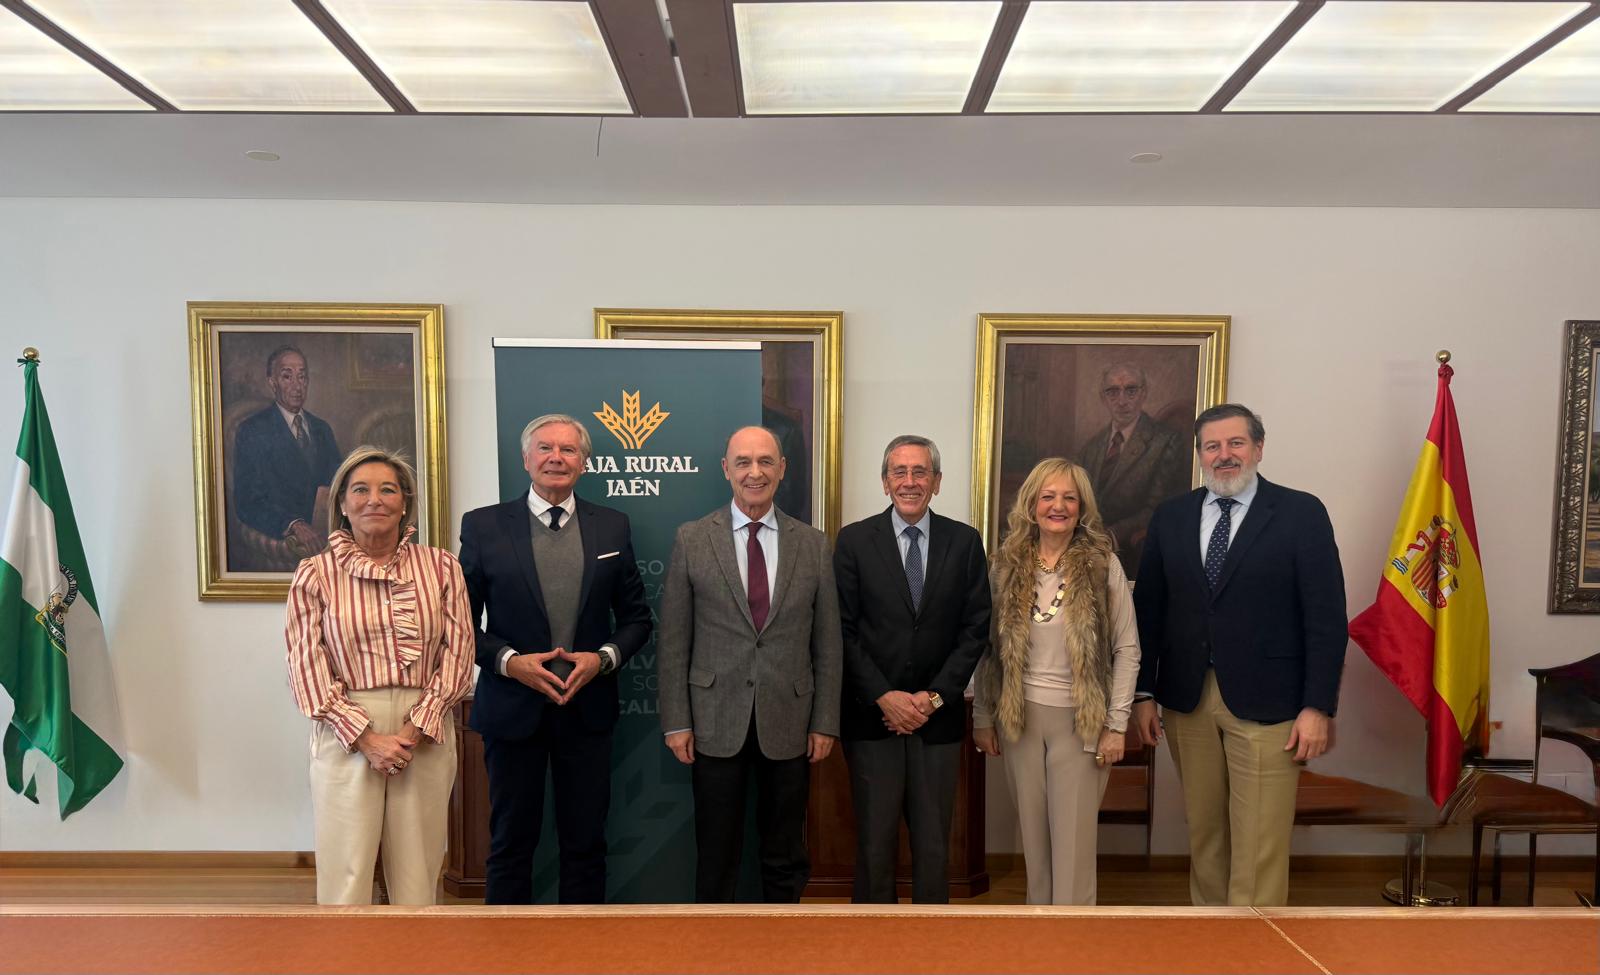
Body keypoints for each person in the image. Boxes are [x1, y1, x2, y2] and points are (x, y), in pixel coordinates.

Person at [1132, 403, 1347, 906]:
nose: (1224, 455)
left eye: (1235, 444)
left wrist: (1318, 707)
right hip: (1187, 699)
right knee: (1206, 836)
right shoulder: (1171, 516)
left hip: (1271, 703)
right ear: (1200, 454)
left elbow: (1326, 618)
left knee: (1260, 843)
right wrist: (1143, 692)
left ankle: (1256, 949)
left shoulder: (1301, 513)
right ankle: (1213, 941)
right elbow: (1149, 613)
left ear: (1258, 448)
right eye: (1212, 446)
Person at [459, 414, 651, 905]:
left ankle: (582, 952)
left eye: (568, 450)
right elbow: (458, 621)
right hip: (511, 709)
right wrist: (509, 662)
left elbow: (636, 620)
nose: (556, 458)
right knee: (509, 843)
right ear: (526, 459)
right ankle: (505, 956)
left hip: (586, 709)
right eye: (545, 448)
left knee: (585, 844)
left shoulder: (613, 525)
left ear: (584, 463)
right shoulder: (482, 526)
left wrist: (603, 660)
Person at [658, 425, 842, 903]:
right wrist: (677, 721)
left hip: (791, 719)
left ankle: (782, 941)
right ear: (726, 470)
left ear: (783, 469)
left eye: (765, 461)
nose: (754, 472)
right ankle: (713, 947)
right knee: (716, 849)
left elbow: (828, 643)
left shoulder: (813, 544)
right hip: (714, 719)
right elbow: (675, 639)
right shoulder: (693, 539)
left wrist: (825, 722)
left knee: (784, 849)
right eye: (743, 462)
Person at [285, 446, 473, 905]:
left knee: (418, 875)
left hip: (425, 729)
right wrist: (368, 739)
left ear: (404, 501)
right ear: (343, 505)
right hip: (346, 730)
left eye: (387, 489)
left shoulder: (442, 566)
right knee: (345, 875)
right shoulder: (315, 573)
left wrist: (412, 731)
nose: (375, 499)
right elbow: (305, 665)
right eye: (360, 490)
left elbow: (459, 652)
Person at [973, 457, 1140, 905]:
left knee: (1074, 847)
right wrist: (983, 716)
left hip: (1081, 723)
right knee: (1035, 844)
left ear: (1082, 506)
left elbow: (1127, 649)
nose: (1058, 506)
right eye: (1048, 496)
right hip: (1020, 718)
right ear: (1031, 504)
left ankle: (1074, 944)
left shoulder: (1105, 566)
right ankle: (1039, 942)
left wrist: (1117, 724)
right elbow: (988, 649)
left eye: (1069, 497)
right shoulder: (1005, 566)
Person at [834, 434, 990, 903]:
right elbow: (841, 629)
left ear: (937, 482)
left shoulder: (964, 542)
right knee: (874, 846)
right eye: (899, 472)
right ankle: (873, 948)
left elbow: (975, 629)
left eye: (920, 472)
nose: (909, 481)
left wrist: (933, 697)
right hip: (871, 719)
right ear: (885, 483)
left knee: (933, 847)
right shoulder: (855, 541)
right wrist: (885, 696)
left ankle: (931, 948)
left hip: (936, 721)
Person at [1077, 362, 1189, 579]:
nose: (1121, 401)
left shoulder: (1166, 441)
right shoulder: (1091, 447)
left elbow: (1159, 506)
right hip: (1086, 551)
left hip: (1130, 549)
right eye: (1113, 392)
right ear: (1103, 397)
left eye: (1131, 390)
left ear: (1143, 393)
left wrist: (1113, 534)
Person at [235, 345, 344, 566]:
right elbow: (247, 502)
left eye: (302, 376)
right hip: (286, 541)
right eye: (287, 376)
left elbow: (338, 483)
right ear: (272, 383)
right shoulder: (253, 431)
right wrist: (293, 523)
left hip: (327, 535)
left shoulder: (321, 428)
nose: (297, 386)